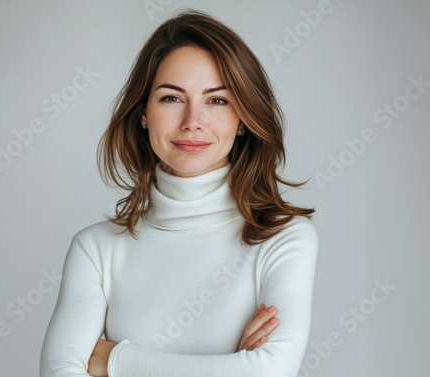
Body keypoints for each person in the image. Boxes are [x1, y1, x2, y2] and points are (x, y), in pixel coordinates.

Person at [40, 9, 318, 377]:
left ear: (242, 120)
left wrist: (114, 361)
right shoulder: (96, 248)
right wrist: (229, 367)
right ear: (143, 113)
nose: (192, 121)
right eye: (171, 98)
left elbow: (269, 370)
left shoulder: (282, 238)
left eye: (217, 100)